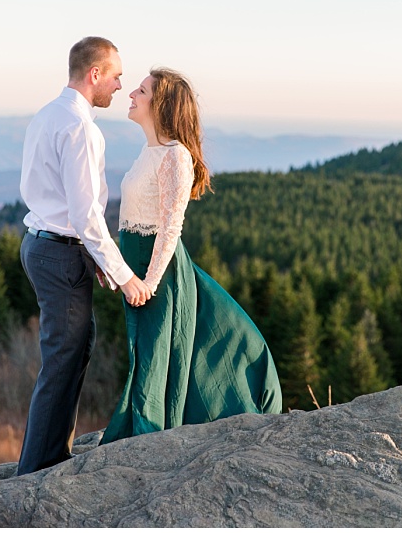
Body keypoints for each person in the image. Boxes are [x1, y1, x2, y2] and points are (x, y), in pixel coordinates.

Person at [100, 67, 282, 445]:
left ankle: (147, 438)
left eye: (143, 90)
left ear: (161, 104)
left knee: (154, 355)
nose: (131, 93)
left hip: (159, 274)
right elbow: (133, 218)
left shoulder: (175, 157)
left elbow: (169, 228)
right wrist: (113, 265)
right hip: (136, 267)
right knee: (145, 351)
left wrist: (149, 281)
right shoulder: (149, 151)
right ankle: (144, 433)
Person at [17, 37, 152, 475]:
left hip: (43, 244)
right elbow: (85, 213)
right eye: (115, 76)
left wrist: (91, 254)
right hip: (58, 253)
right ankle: (37, 469)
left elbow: (65, 205)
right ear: (94, 74)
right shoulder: (80, 128)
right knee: (62, 359)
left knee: (76, 347)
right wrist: (124, 275)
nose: (119, 86)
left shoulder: (47, 114)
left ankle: (53, 453)